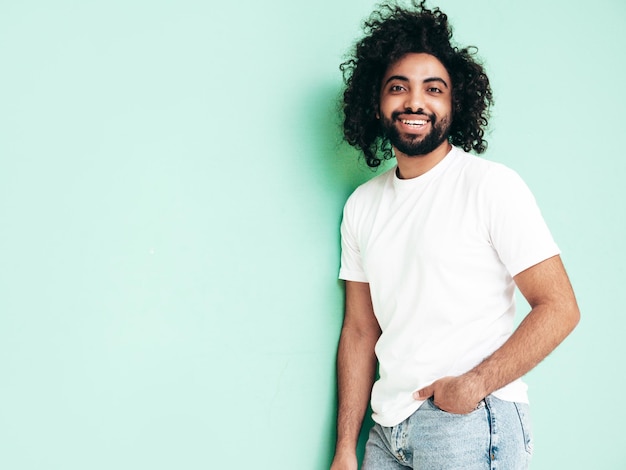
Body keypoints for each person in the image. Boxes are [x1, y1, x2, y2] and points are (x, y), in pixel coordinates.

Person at [330, 2, 580, 469]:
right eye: (398, 87)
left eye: (434, 89)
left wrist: (476, 383)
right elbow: (361, 330)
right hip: (386, 431)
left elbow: (560, 306)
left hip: (467, 422)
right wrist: (347, 445)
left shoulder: (490, 185)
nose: (415, 102)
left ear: (455, 103)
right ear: (377, 102)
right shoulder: (362, 205)